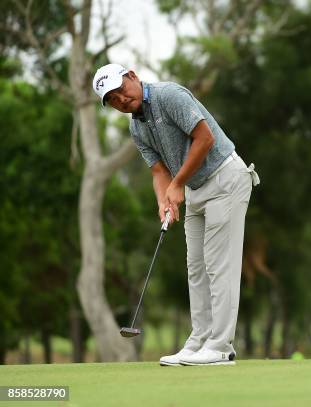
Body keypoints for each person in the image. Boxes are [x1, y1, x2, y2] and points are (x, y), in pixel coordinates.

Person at [92, 63, 260, 366]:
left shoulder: (169, 95)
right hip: (195, 189)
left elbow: (204, 138)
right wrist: (164, 200)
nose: (120, 100)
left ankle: (221, 346)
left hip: (225, 178)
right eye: (112, 100)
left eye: (120, 90)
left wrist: (178, 183)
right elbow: (158, 170)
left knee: (218, 266)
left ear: (132, 76)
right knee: (196, 267)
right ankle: (199, 341)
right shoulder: (136, 126)